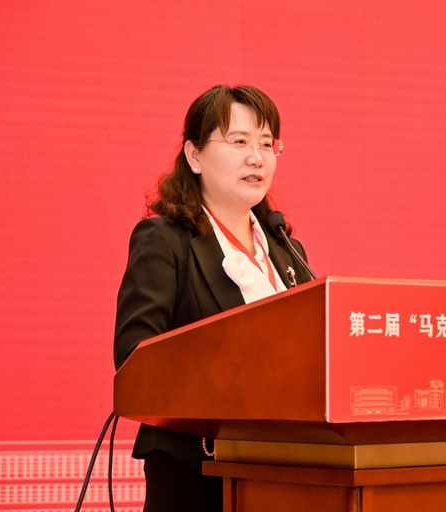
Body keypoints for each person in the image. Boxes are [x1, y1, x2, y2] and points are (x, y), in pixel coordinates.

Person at [113, 85, 313, 511]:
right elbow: (135, 359)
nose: (256, 157)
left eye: (266, 144)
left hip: (286, 468)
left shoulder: (286, 250)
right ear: (194, 156)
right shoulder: (164, 240)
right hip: (195, 470)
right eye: (239, 142)